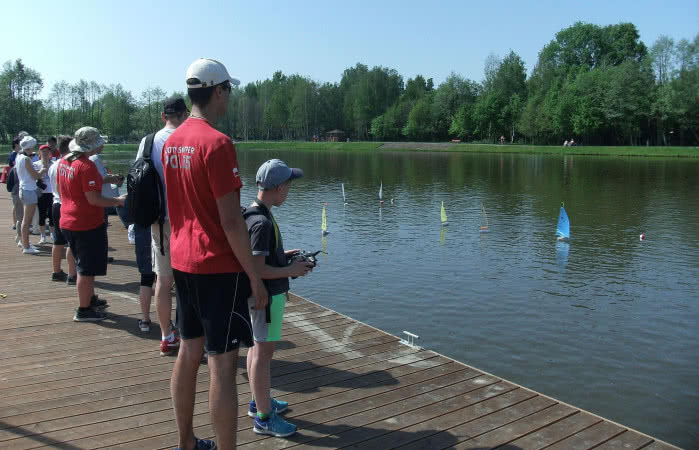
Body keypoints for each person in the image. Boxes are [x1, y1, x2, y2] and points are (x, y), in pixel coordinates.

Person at [165, 58, 267, 450]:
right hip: (216, 267)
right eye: (229, 90)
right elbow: (231, 222)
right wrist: (255, 276)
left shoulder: (172, 141)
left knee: (189, 351)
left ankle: (186, 442)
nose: (230, 98)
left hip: (182, 261)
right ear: (218, 90)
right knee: (222, 364)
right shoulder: (218, 144)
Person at [244, 159, 313, 438]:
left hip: (263, 298)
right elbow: (257, 269)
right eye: (289, 187)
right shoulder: (261, 222)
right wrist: (291, 270)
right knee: (264, 353)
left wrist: (282, 258)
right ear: (279, 187)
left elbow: (257, 258)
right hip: (266, 299)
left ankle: (258, 401)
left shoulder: (254, 211)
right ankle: (263, 418)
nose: (289, 192)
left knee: (256, 349)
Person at [133, 95, 188, 357]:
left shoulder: (148, 141)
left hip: (157, 219)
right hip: (187, 221)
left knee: (163, 282)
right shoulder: (188, 138)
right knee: (189, 282)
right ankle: (190, 335)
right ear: (184, 114)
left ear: (162, 116)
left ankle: (167, 336)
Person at [58, 126, 126, 322]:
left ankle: (90, 298)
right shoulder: (86, 166)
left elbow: (79, 183)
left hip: (68, 219)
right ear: (92, 146)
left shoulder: (65, 161)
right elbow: (94, 199)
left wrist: (106, 178)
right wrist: (118, 201)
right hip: (85, 223)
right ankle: (83, 309)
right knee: (86, 270)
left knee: (84, 265)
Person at [48, 136, 77, 283]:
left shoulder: (53, 165)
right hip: (65, 204)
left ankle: (56, 271)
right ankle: (73, 274)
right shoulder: (68, 164)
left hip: (55, 204)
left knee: (58, 241)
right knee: (71, 242)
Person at [16, 136, 47, 254]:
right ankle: (26, 246)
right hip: (29, 190)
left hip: (24, 188)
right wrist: (43, 170)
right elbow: (35, 176)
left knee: (26, 219)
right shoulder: (26, 159)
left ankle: (26, 243)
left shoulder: (19, 156)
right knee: (27, 220)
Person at [35, 145, 55, 245]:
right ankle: (43, 236)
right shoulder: (35, 164)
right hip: (41, 193)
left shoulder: (54, 164)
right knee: (41, 215)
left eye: (47, 151)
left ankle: (52, 234)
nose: (45, 153)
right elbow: (34, 177)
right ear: (39, 152)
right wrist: (42, 170)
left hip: (52, 192)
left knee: (52, 215)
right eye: (43, 151)